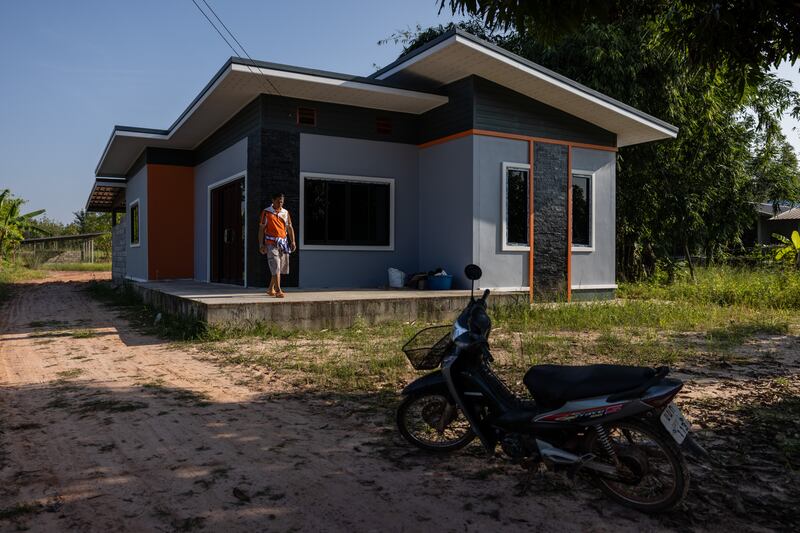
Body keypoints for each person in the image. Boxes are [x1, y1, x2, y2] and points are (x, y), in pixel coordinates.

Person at [258, 192, 296, 298]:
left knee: (279, 267)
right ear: (273, 200)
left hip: (283, 243)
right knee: (276, 265)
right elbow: (261, 229)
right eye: (278, 201)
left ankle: (271, 289)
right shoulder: (266, 212)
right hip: (270, 243)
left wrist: (293, 241)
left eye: (282, 201)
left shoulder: (285, 212)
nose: (280, 203)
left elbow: (289, 227)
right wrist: (261, 244)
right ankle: (278, 290)